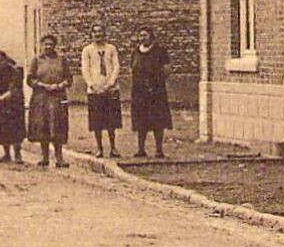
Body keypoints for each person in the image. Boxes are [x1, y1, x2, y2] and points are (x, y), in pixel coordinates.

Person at [25, 34, 72, 168]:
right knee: (43, 126)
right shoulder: (36, 60)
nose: (48, 47)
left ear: (55, 46)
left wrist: (60, 85)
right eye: (46, 44)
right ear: (42, 45)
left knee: (58, 126)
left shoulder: (61, 60)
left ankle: (59, 158)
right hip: (41, 97)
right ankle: (44, 157)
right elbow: (30, 79)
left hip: (58, 97)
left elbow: (69, 78)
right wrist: (43, 85)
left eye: (51, 44)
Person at [80, 23, 123, 158]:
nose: (98, 35)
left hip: (110, 89)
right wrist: (93, 85)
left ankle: (113, 147)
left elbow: (116, 67)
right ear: (91, 35)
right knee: (97, 121)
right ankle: (99, 148)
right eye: (95, 32)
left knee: (112, 121)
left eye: (100, 32)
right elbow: (85, 69)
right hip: (95, 90)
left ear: (104, 34)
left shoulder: (111, 49)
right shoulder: (87, 50)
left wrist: (110, 84)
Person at [131, 26, 173, 158]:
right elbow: (132, 69)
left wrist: (155, 82)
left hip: (156, 91)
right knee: (141, 120)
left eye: (145, 35)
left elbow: (166, 70)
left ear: (151, 37)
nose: (143, 38)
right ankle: (141, 149)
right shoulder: (136, 52)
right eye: (141, 35)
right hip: (139, 92)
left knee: (157, 120)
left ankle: (159, 149)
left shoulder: (160, 51)